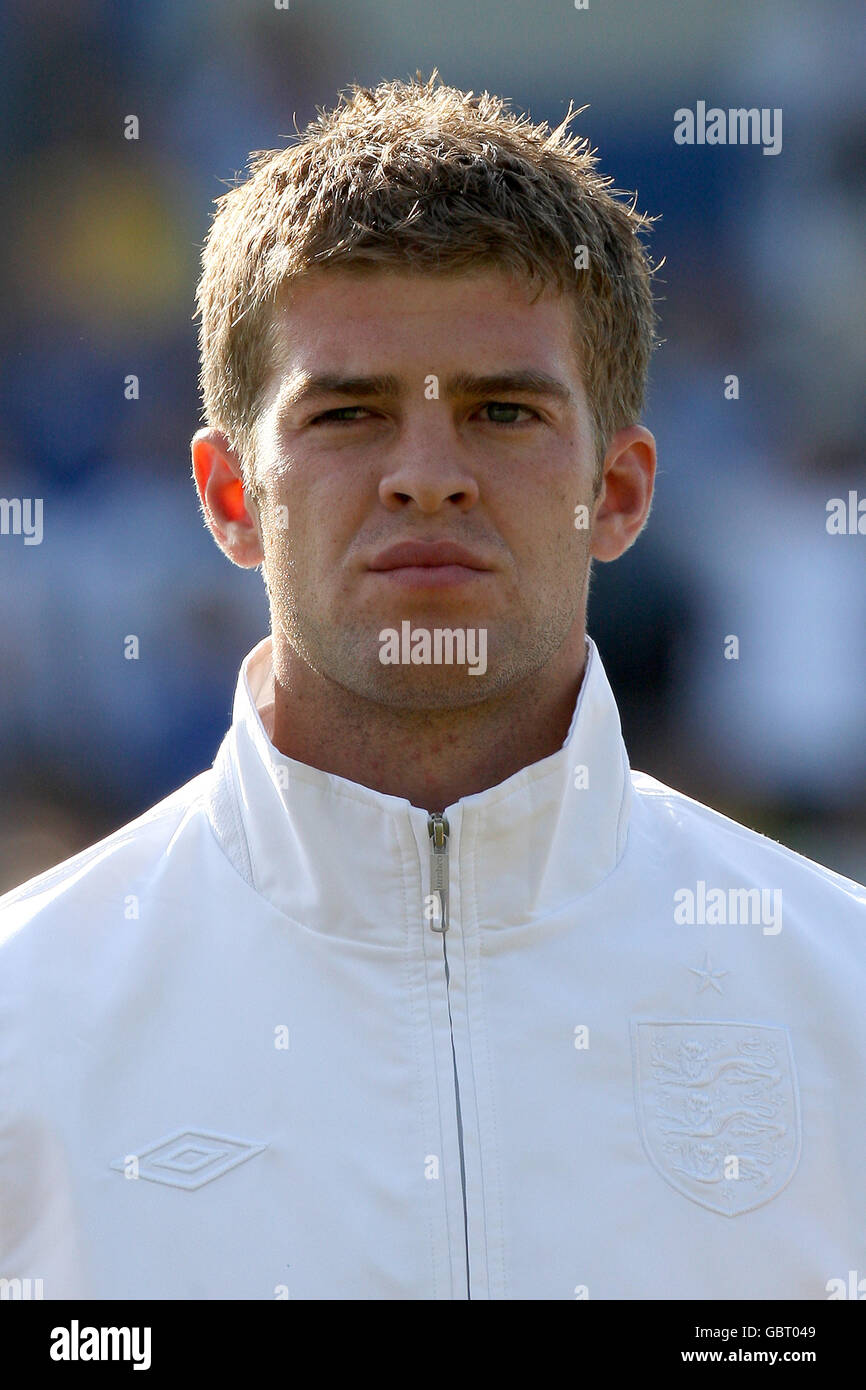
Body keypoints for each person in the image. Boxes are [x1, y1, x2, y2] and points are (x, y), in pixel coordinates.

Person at [1, 71, 863, 1302]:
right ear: (229, 496)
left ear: (616, 491)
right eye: (347, 414)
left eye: (500, 411)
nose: (426, 475)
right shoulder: (25, 1022)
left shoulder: (841, 1002)